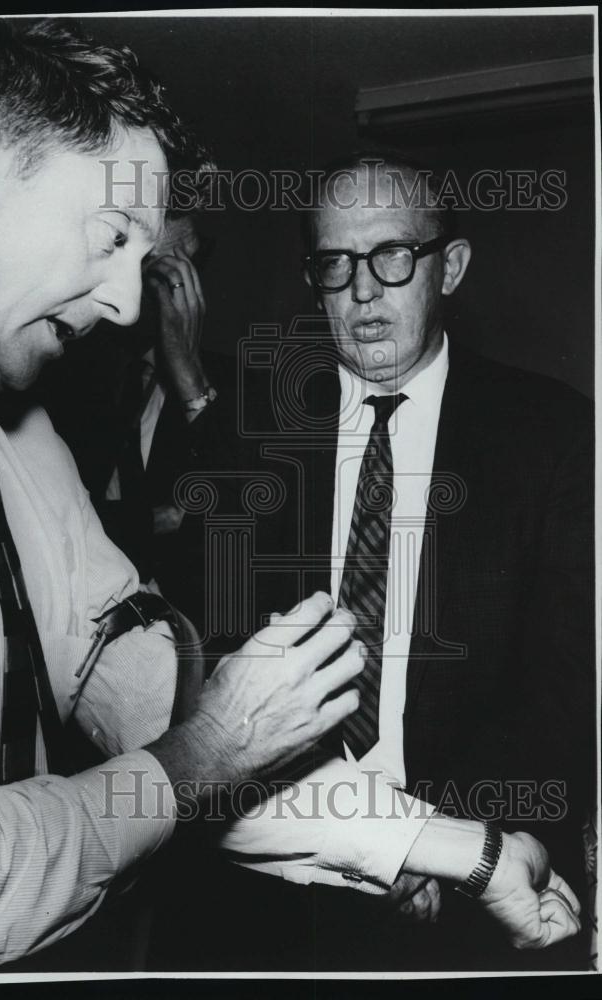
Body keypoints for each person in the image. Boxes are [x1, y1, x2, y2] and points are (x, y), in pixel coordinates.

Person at [0, 20, 583, 973]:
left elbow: (180, 718)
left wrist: (460, 850)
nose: (125, 305)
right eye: (111, 238)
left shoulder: (19, 440)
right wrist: (202, 756)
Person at [152, 152, 594, 971]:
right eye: (334, 264)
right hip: (264, 884)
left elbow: (566, 681)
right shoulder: (253, 428)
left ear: (449, 267)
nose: (362, 292)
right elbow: (206, 658)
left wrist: (433, 838)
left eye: (393, 256)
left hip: (474, 888)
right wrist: (378, 837)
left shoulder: (554, 434)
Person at [38, 210, 237, 639]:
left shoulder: (233, 390)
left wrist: (188, 371)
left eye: (186, 271)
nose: (174, 292)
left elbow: (231, 531)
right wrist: (154, 519)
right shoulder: (67, 376)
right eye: (161, 270)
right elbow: (63, 525)